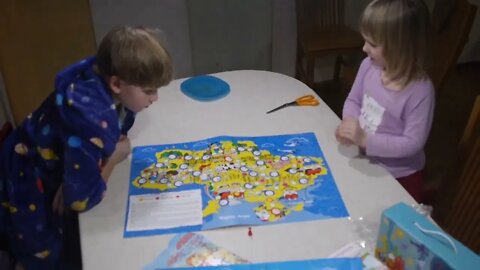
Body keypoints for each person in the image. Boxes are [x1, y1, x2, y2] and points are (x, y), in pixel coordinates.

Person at [0, 26, 173, 269]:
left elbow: (116, 123)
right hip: (26, 177)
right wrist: (114, 157)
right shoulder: (89, 122)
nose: (155, 99)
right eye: (148, 91)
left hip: (34, 152)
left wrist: (75, 172)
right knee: (48, 254)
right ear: (116, 84)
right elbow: (80, 199)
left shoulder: (98, 72)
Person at [335, 0, 434, 203]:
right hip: (364, 159)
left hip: (400, 177)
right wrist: (350, 124)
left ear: (400, 47)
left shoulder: (420, 90)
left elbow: (412, 143)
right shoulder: (368, 66)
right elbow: (353, 100)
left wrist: (366, 140)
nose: (364, 48)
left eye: (372, 43)